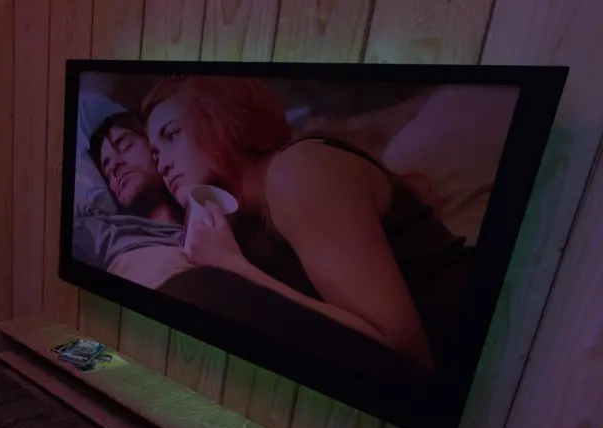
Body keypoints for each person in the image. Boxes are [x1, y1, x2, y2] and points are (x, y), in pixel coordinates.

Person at [142, 75, 473, 374]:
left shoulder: (296, 171)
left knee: (194, 291)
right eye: (155, 155)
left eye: (171, 135)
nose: (163, 166)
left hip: (467, 354)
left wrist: (233, 267)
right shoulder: (250, 222)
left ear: (221, 119)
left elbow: (407, 356)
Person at [72, 110, 191, 288]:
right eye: (107, 170)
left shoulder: (210, 218)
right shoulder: (104, 229)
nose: (115, 165)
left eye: (126, 146)